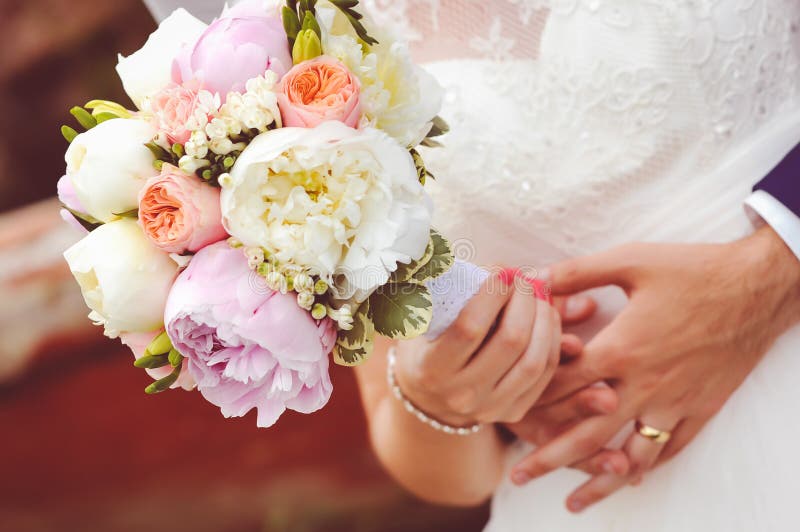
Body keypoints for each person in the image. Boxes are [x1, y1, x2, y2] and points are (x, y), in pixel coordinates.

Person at [143, 1, 800, 530]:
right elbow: (435, 459)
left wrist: (772, 271)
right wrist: (440, 400)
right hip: (623, 490)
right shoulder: (249, 41)